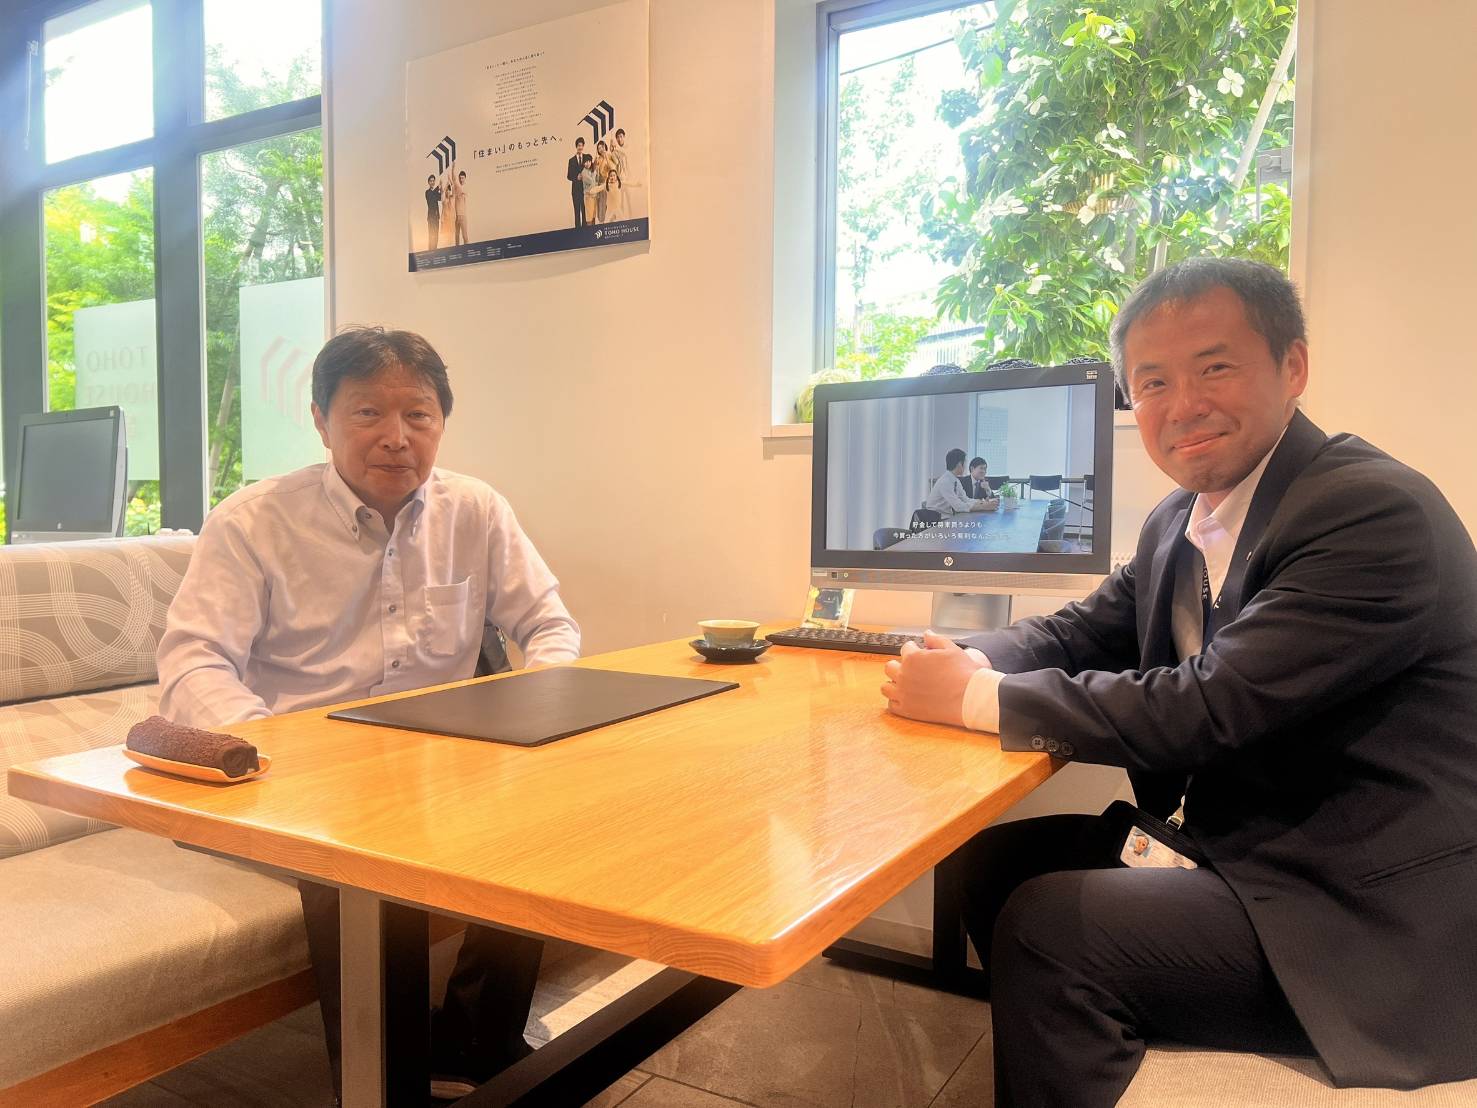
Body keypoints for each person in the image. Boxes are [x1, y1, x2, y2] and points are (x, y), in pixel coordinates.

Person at [881, 258, 1477, 1106]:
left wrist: (976, 700)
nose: (1182, 404)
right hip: (1243, 849)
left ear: (1292, 367)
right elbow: (1079, 631)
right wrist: (961, 658)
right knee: (992, 865)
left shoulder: (1370, 511)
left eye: (1214, 367)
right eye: (1152, 382)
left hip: (1361, 907)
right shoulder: (1180, 521)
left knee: (1050, 931)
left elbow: (1207, 705)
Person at [158, 326, 581, 1103]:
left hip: (436, 766)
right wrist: (275, 752)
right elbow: (193, 662)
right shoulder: (253, 521)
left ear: (441, 422)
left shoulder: (475, 510)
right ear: (321, 421)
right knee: (354, 864)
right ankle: (381, 1086)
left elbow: (549, 625)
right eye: (367, 414)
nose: (396, 438)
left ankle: (477, 1044)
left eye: (418, 415)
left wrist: (533, 707)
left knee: (549, 819)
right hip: (297, 778)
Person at [925, 448, 990, 515]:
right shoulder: (945, 482)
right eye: (965, 463)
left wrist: (981, 502)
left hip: (946, 516)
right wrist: (983, 506)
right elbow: (958, 506)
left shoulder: (955, 480)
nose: (965, 467)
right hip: (935, 517)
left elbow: (965, 499)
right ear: (959, 464)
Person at [567, 137, 587, 228]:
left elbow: (591, 170)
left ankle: (585, 230)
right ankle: (578, 231)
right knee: (577, 212)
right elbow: (568, 176)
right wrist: (576, 177)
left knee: (585, 211)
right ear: (576, 146)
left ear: (583, 146)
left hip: (585, 189)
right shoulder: (571, 160)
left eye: (581, 145)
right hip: (575, 190)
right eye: (579, 145)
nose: (580, 147)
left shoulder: (586, 158)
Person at [579, 153, 603, 226]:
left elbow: (597, 180)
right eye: (586, 162)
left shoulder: (591, 170)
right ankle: (590, 231)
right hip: (588, 197)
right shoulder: (584, 172)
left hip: (594, 196)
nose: (588, 163)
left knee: (593, 216)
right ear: (583, 163)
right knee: (589, 217)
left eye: (589, 161)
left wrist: (596, 168)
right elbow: (592, 182)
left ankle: (593, 230)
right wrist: (594, 169)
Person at [424, 174, 442, 250]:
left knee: (436, 235)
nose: (432, 182)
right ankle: (430, 251)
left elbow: (440, 198)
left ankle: (435, 251)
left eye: (433, 181)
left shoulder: (435, 192)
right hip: (431, 218)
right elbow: (432, 198)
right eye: (431, 181)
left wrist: (441, 188)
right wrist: (438, 187)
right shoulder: (427, 192)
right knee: (431, 235)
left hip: (436, 217)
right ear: (428, 182)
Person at [453, 169, 470, 245]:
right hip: (456, 216)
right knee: (456, 237)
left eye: (462, 178)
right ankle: (457, 251)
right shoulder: (457, 188)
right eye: (460, 178)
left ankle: (467, 251)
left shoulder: (465, 188)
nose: (461, 179)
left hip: (463, 215)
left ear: (465, 178)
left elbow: (464, 195)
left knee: (465, 236)